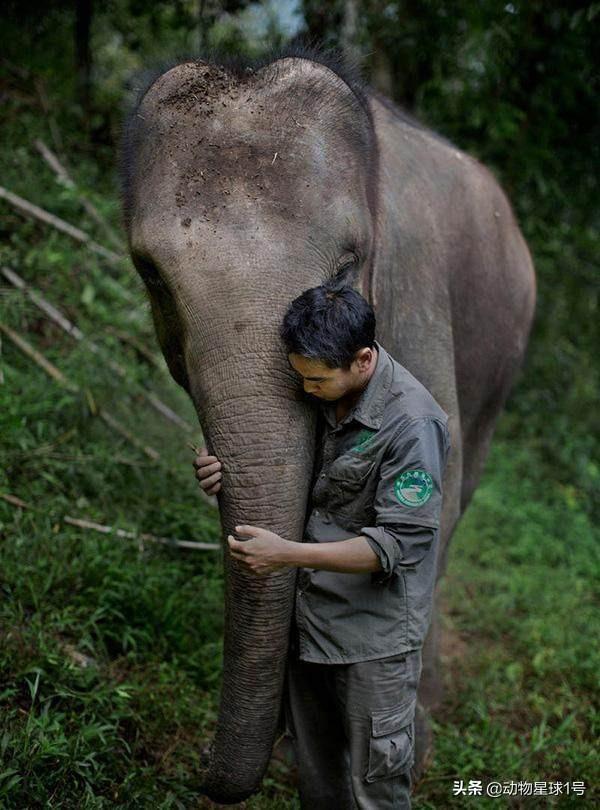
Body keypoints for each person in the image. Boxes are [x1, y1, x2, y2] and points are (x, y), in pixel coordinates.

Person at [193, 280, 451, 809]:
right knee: (320, 783)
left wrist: (284, 554)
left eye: (317, 379)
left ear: (362, 360)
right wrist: (222, 473)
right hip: (312, 627)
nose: (306, 388)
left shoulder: (412, 423)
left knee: (373, 788)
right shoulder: (320, 394)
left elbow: (395, 546)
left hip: (372, 645)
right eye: (300, 376)